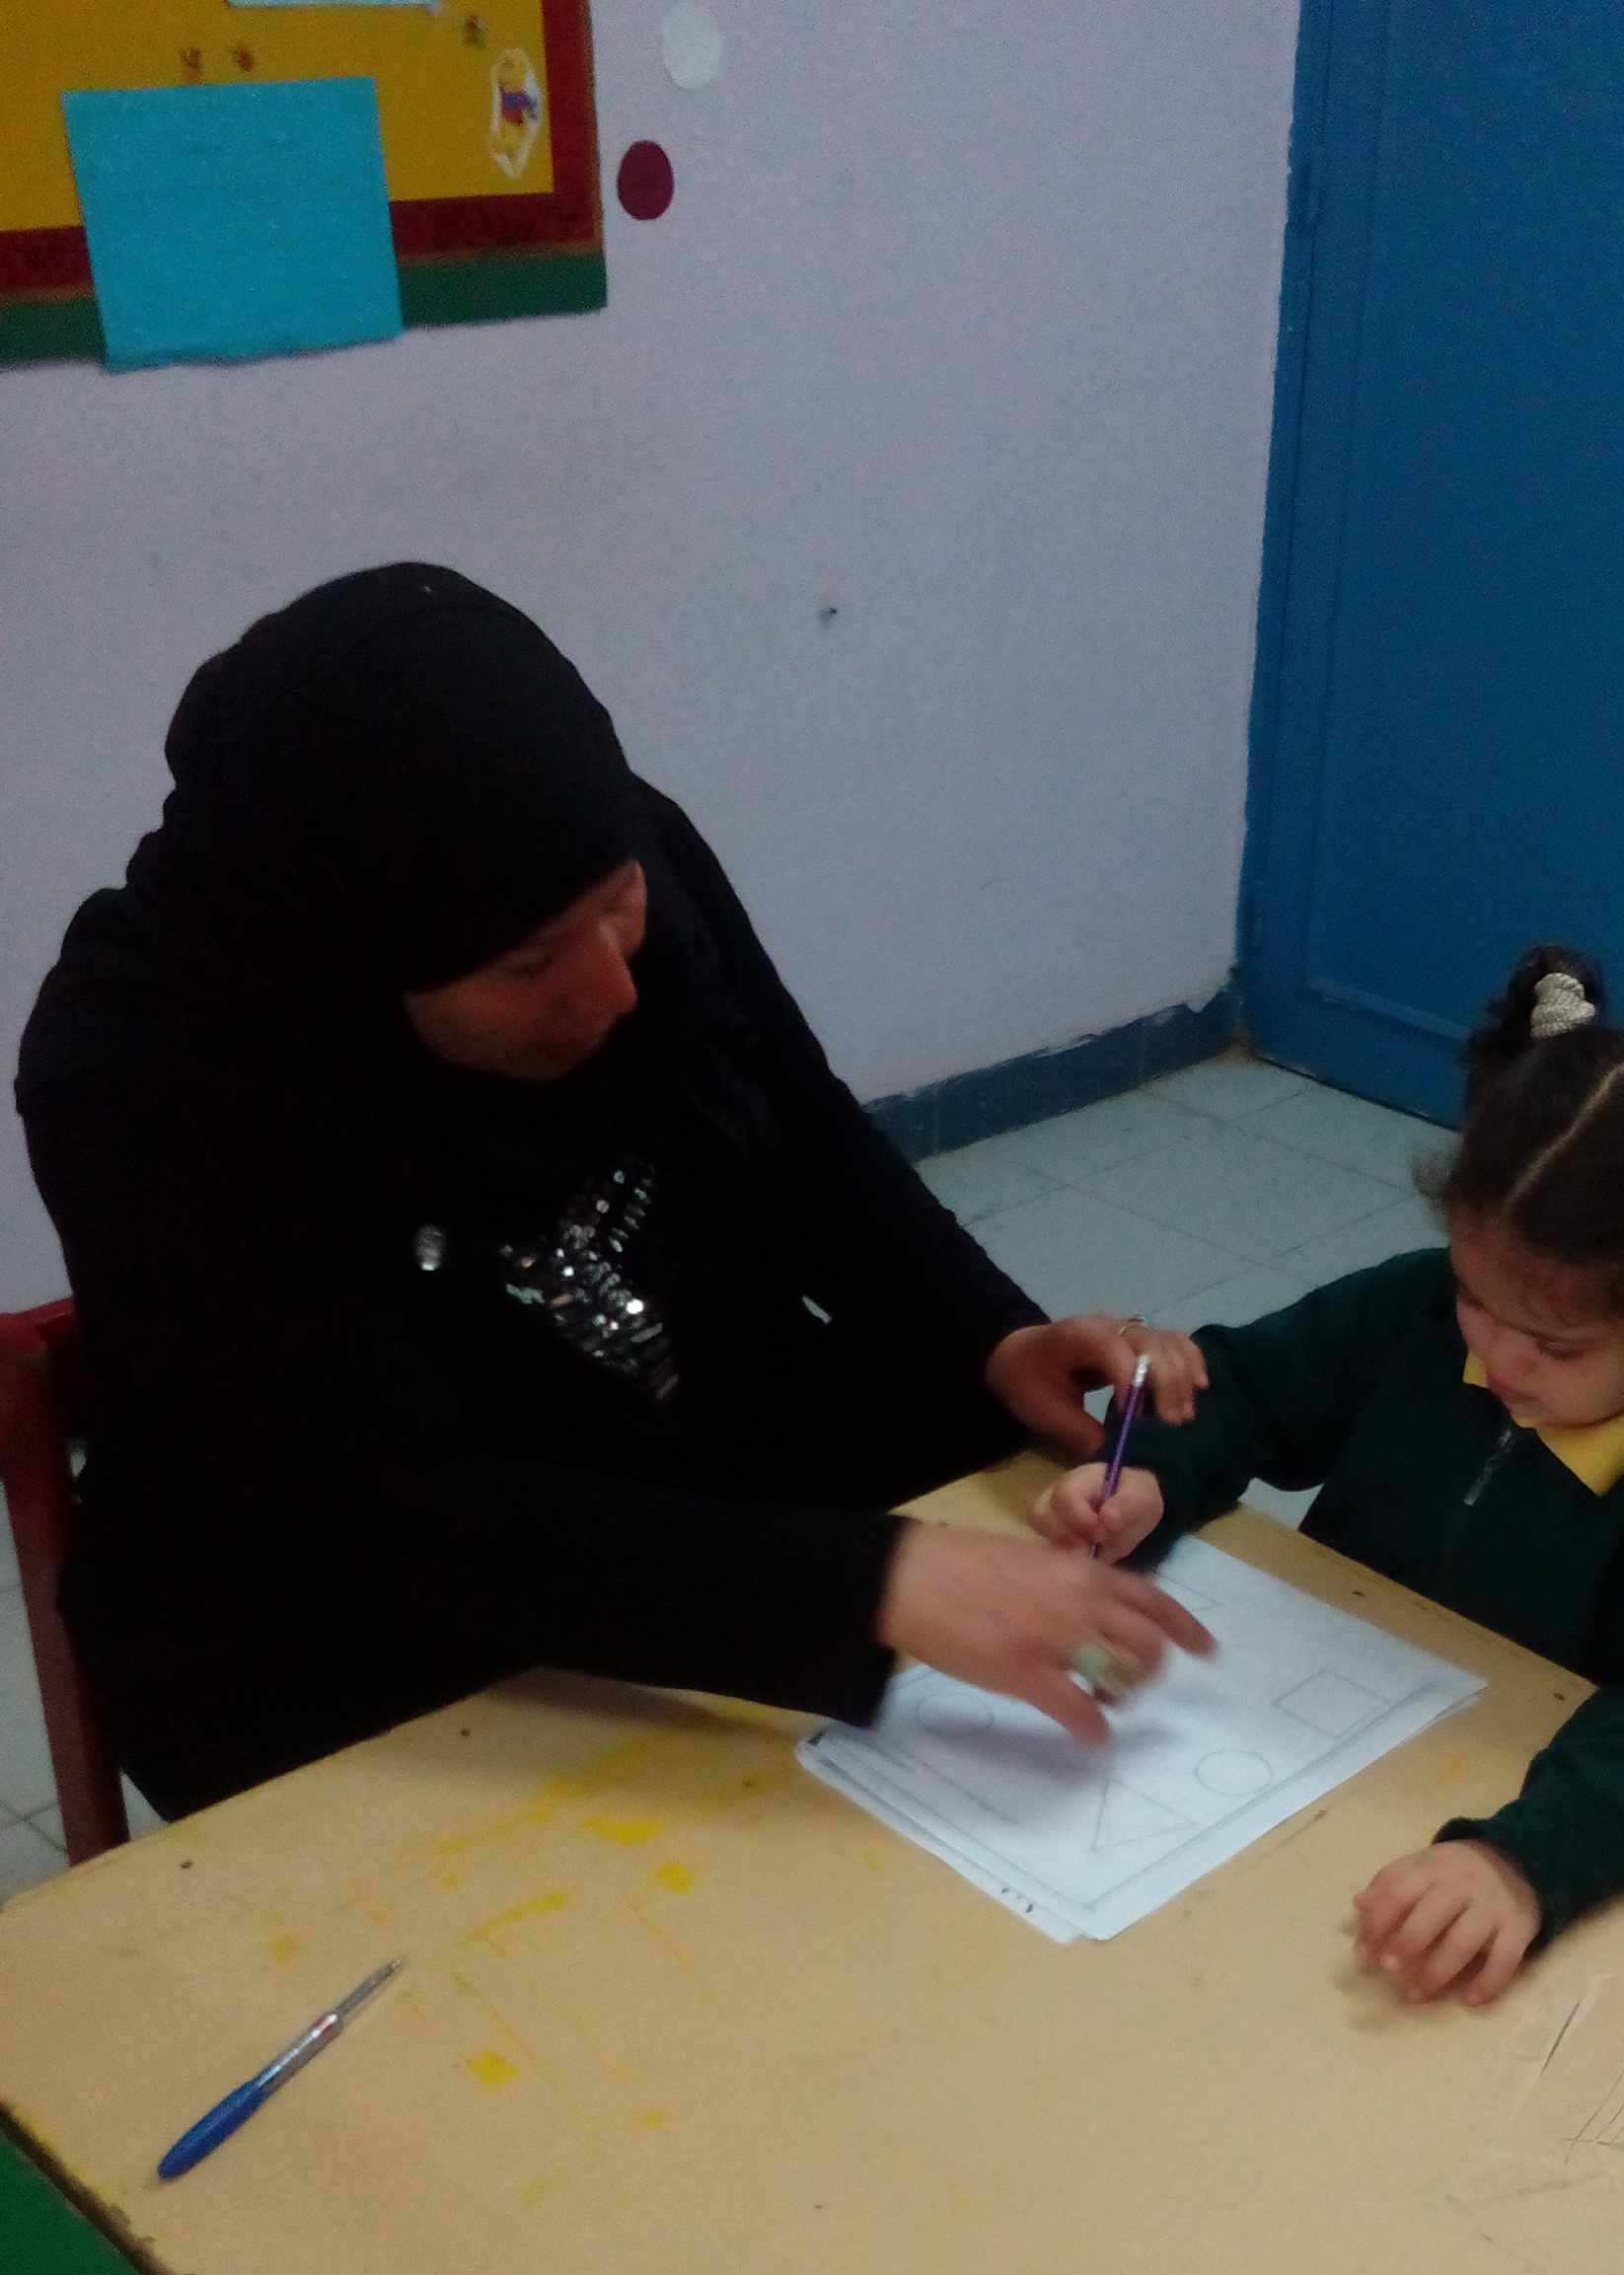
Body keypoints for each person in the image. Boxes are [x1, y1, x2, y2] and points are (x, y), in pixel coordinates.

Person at [18, 565, 1211, 1817]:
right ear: (361, 956)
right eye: (532, 962)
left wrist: (997, 1337)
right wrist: (872, 1584)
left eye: (619, 908)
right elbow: (391, 1509)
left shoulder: (593, 844)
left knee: (1030, 1497)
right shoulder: (144, 1070)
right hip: (344, 1597)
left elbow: (804, 1133)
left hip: (696, 1454)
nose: (613, 990)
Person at [1033, 944, 1624, 2008]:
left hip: (1510, 1822)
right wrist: (1152, 1479)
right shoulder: (1416, 1313)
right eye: (1476, 1298)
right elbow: (1244, 1388)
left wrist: (1528, 1859)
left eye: (1557, 1345)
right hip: (1310, 1770)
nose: (1497, 1358)